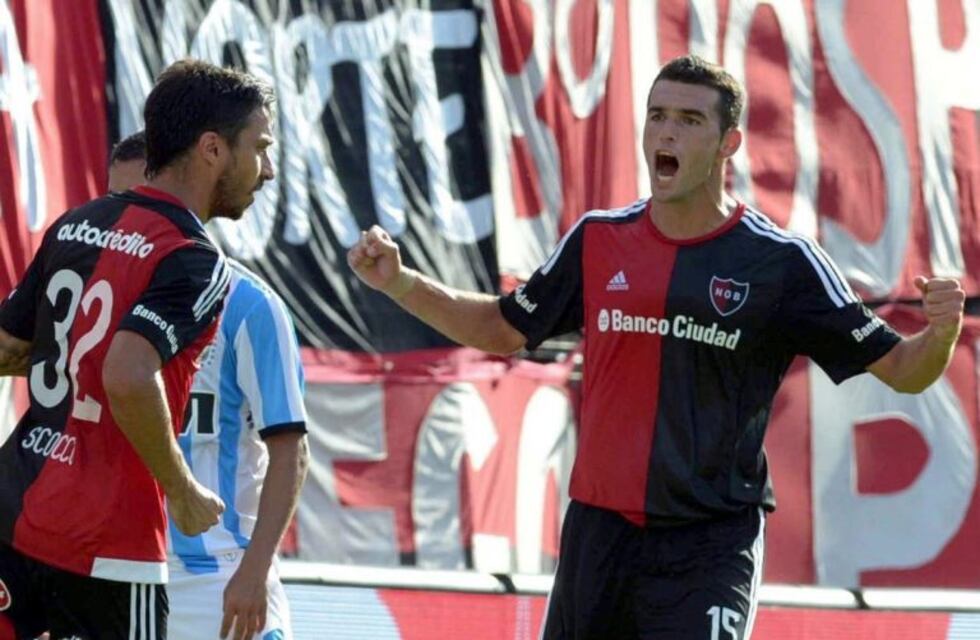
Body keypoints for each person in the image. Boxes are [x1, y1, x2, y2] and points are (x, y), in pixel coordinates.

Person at [348, 55, 966, 639]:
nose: (666, 133)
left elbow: (905, 372)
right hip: (600, 538)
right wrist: (401, 283)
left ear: (729, 144)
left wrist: (938, 334)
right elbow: (503, 330)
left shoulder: (782, 263)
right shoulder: (598, 239)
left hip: (708, 545)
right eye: (657, 116)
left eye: (689, 120)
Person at [0, 58, 276, 639]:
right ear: (211, 149)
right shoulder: (194, 260)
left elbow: (6, 348)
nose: (267, 169)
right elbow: (127, 374)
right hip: (110, 549)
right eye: (260, 146)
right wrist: (183, 489)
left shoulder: (75, 224)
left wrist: (67, 349)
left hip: (12, 512)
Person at [108, 132, 309, 640]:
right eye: (116, 203)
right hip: (113, 570)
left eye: (142, 200)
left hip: (216, 578)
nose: (127, 221)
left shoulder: (251, 305)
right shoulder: (94, 299)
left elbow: (291, 450)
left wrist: (255, 570)